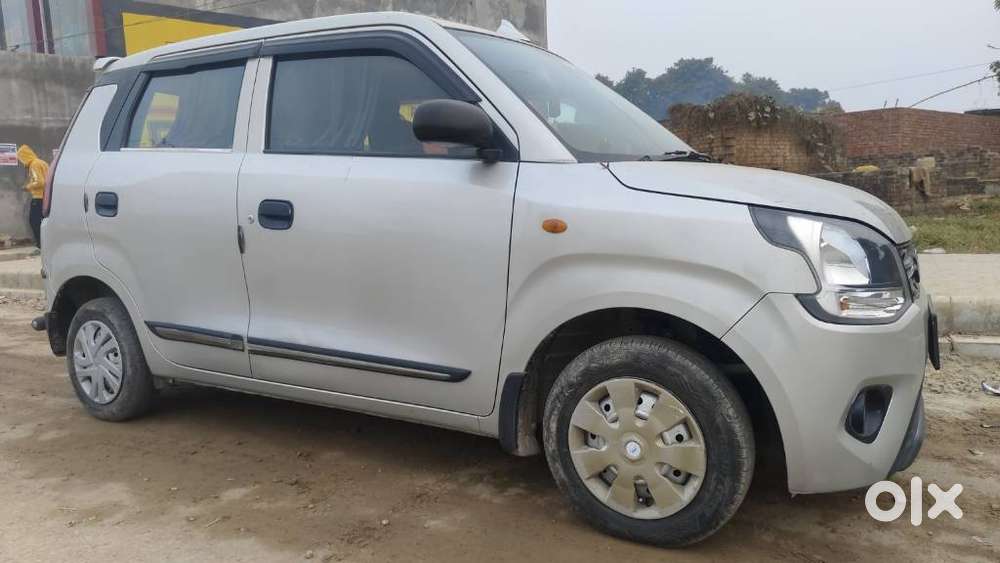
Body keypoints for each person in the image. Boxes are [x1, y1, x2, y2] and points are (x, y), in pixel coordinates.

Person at [16, 145, 48, 248]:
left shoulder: (33, 165)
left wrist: (27, 187)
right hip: (46, 197)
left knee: (33, 221)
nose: (22, 162)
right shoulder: (42, 162)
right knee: (44, 222)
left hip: (38, 198)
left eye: (21, 159)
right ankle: (46, 245)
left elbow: (39, 181)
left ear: (24, 156)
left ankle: (40, 245)